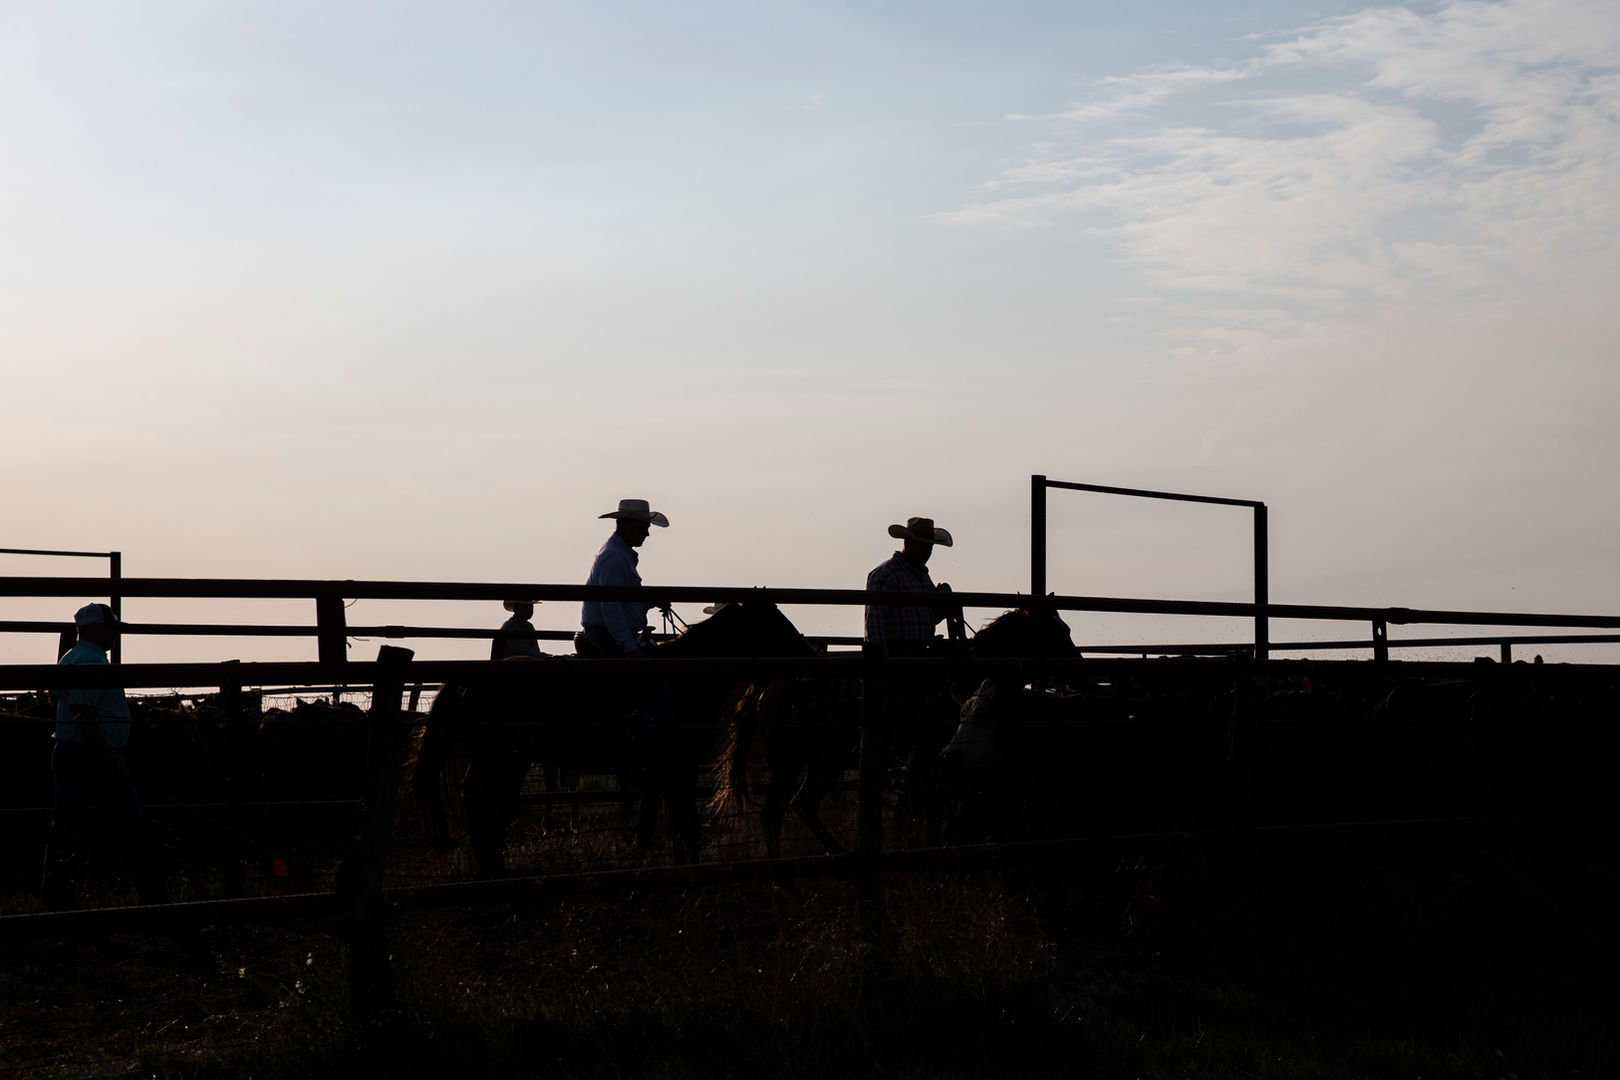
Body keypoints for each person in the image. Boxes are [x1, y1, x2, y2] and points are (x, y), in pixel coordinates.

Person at [42, 603, 168, 911]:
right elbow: (83, 712)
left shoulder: (72, 657)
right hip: (92, 755)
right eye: (110, 629)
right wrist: (108, 754)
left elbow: (57, 701)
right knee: (129, 825)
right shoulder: (91, 661)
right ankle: (153, 899)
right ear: (96, 628)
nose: (114, 635)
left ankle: (57, 899)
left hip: (75, 752)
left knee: (67, 828)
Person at [577, 498, 669, 659]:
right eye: (643, 528)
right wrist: (629, 646)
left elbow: (618, 602)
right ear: (627, 525)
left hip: (607, 636)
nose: (647, 534)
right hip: (608, 639)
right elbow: (610, 605)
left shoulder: (617, 554)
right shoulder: (615, 557)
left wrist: (650, 601)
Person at [864, 516, 955, 657]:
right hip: (898, 653)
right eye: (922, 546)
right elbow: (875, 620)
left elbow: (928, 616)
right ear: (908, 543)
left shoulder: (923, 576)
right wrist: (880, 657)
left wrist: (941, 606)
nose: (927, 552)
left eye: (929, 547)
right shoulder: (886, 573)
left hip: (920, 652)